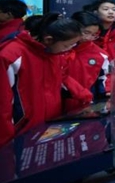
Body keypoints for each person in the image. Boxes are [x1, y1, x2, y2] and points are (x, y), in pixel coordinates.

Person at [0, 13, 87, 145]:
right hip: (21, 131)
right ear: (48, 40)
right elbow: (3, 101)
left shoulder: (54, 53)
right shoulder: (11, 55)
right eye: (66, 45)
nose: (69, 49)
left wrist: (84, 95)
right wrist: (5, 142)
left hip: (50, 127)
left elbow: (63, 77)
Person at [63, 11, 110, 112]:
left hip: (84, 105)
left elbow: (104, 79)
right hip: (56, 103)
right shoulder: (59, 48)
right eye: (86, 33)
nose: (88, 38)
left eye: (94, 35)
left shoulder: (100, 55)